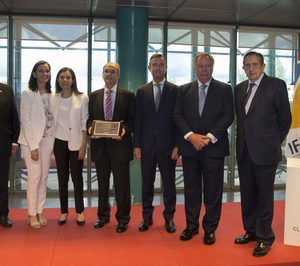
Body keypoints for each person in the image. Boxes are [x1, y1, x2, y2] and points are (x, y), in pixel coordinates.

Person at [234, 51, 292, 257]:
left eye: (255, 65)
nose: (251, 69)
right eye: (247, 65)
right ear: (243, 68)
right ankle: (251, 231)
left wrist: (273, 141)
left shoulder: (276, 85)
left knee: (264, 197)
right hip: (244, 151)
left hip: (266, 152)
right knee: (247, 194)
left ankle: (265, 237)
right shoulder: (239, 89)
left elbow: (285, 119)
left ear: (263, 65)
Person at [173, 52, 234, 245]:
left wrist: (208, 137)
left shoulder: (225, 89)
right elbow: (177, 115)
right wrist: (191, 136)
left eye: (208, 66)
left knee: (213, 191)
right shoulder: (183, 90)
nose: (204, 69)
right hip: (190, 148)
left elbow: (228, 116)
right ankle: (191, 226)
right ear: (195, 67)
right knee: (191, 189)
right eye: (201, 66)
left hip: (213, 148)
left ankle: (209, 229)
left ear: (213, 67)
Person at [133, 53, 179, 233]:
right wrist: (136, 145)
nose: (158, 67)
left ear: (166, 67)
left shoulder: (176, 91)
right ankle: (147, 217)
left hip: (168, 147)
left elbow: (178, 120)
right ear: (149, 68)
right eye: (154, 64)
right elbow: (138, 121)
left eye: (161, 64)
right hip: (146, 146)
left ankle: (169, 218)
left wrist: (178, 145)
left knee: (169, 184)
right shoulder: (142, 91)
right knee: (147, 184)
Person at [87, 62, 135, 233]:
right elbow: (90, 119)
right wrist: (91, 129)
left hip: (120, 147)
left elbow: (132, 121)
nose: (109, 74)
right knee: (102, 185)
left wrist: (123, 130)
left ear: (118, 75)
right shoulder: (94, 96)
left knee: (122, 186)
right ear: (102, 74)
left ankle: (123, 219)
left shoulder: (128, 96)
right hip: (100, 148)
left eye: (113, 71)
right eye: (106, 71)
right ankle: (103, 216)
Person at [18, 60, 55, 229]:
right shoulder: (28, 93)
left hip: (47, 140)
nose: (44, 74)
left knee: (44, 176)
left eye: (47, 71)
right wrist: (33, 146)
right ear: (34, 74)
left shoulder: (51, 94)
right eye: (40, 71)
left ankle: (40, 210)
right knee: (35, 177)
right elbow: (25, 120)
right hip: (30, 141)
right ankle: (31, 213)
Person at [53, 67, 88, 226]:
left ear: (73, 80)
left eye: (68, 77)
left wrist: (83, 145)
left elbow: (84, 123)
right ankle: (63, 211)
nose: (64, 80)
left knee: (77, 177)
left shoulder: (82, 98)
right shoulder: (53, 97)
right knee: (62, 178)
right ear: (58, 80)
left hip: (76, 142)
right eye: (62, 77)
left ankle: (80, 211)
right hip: (58, 141)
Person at [0, 83, 20, 228]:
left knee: (2, 182)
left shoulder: (7, 90)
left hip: (3, 143)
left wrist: (14, 142)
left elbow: (14, 117)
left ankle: (3, 214)